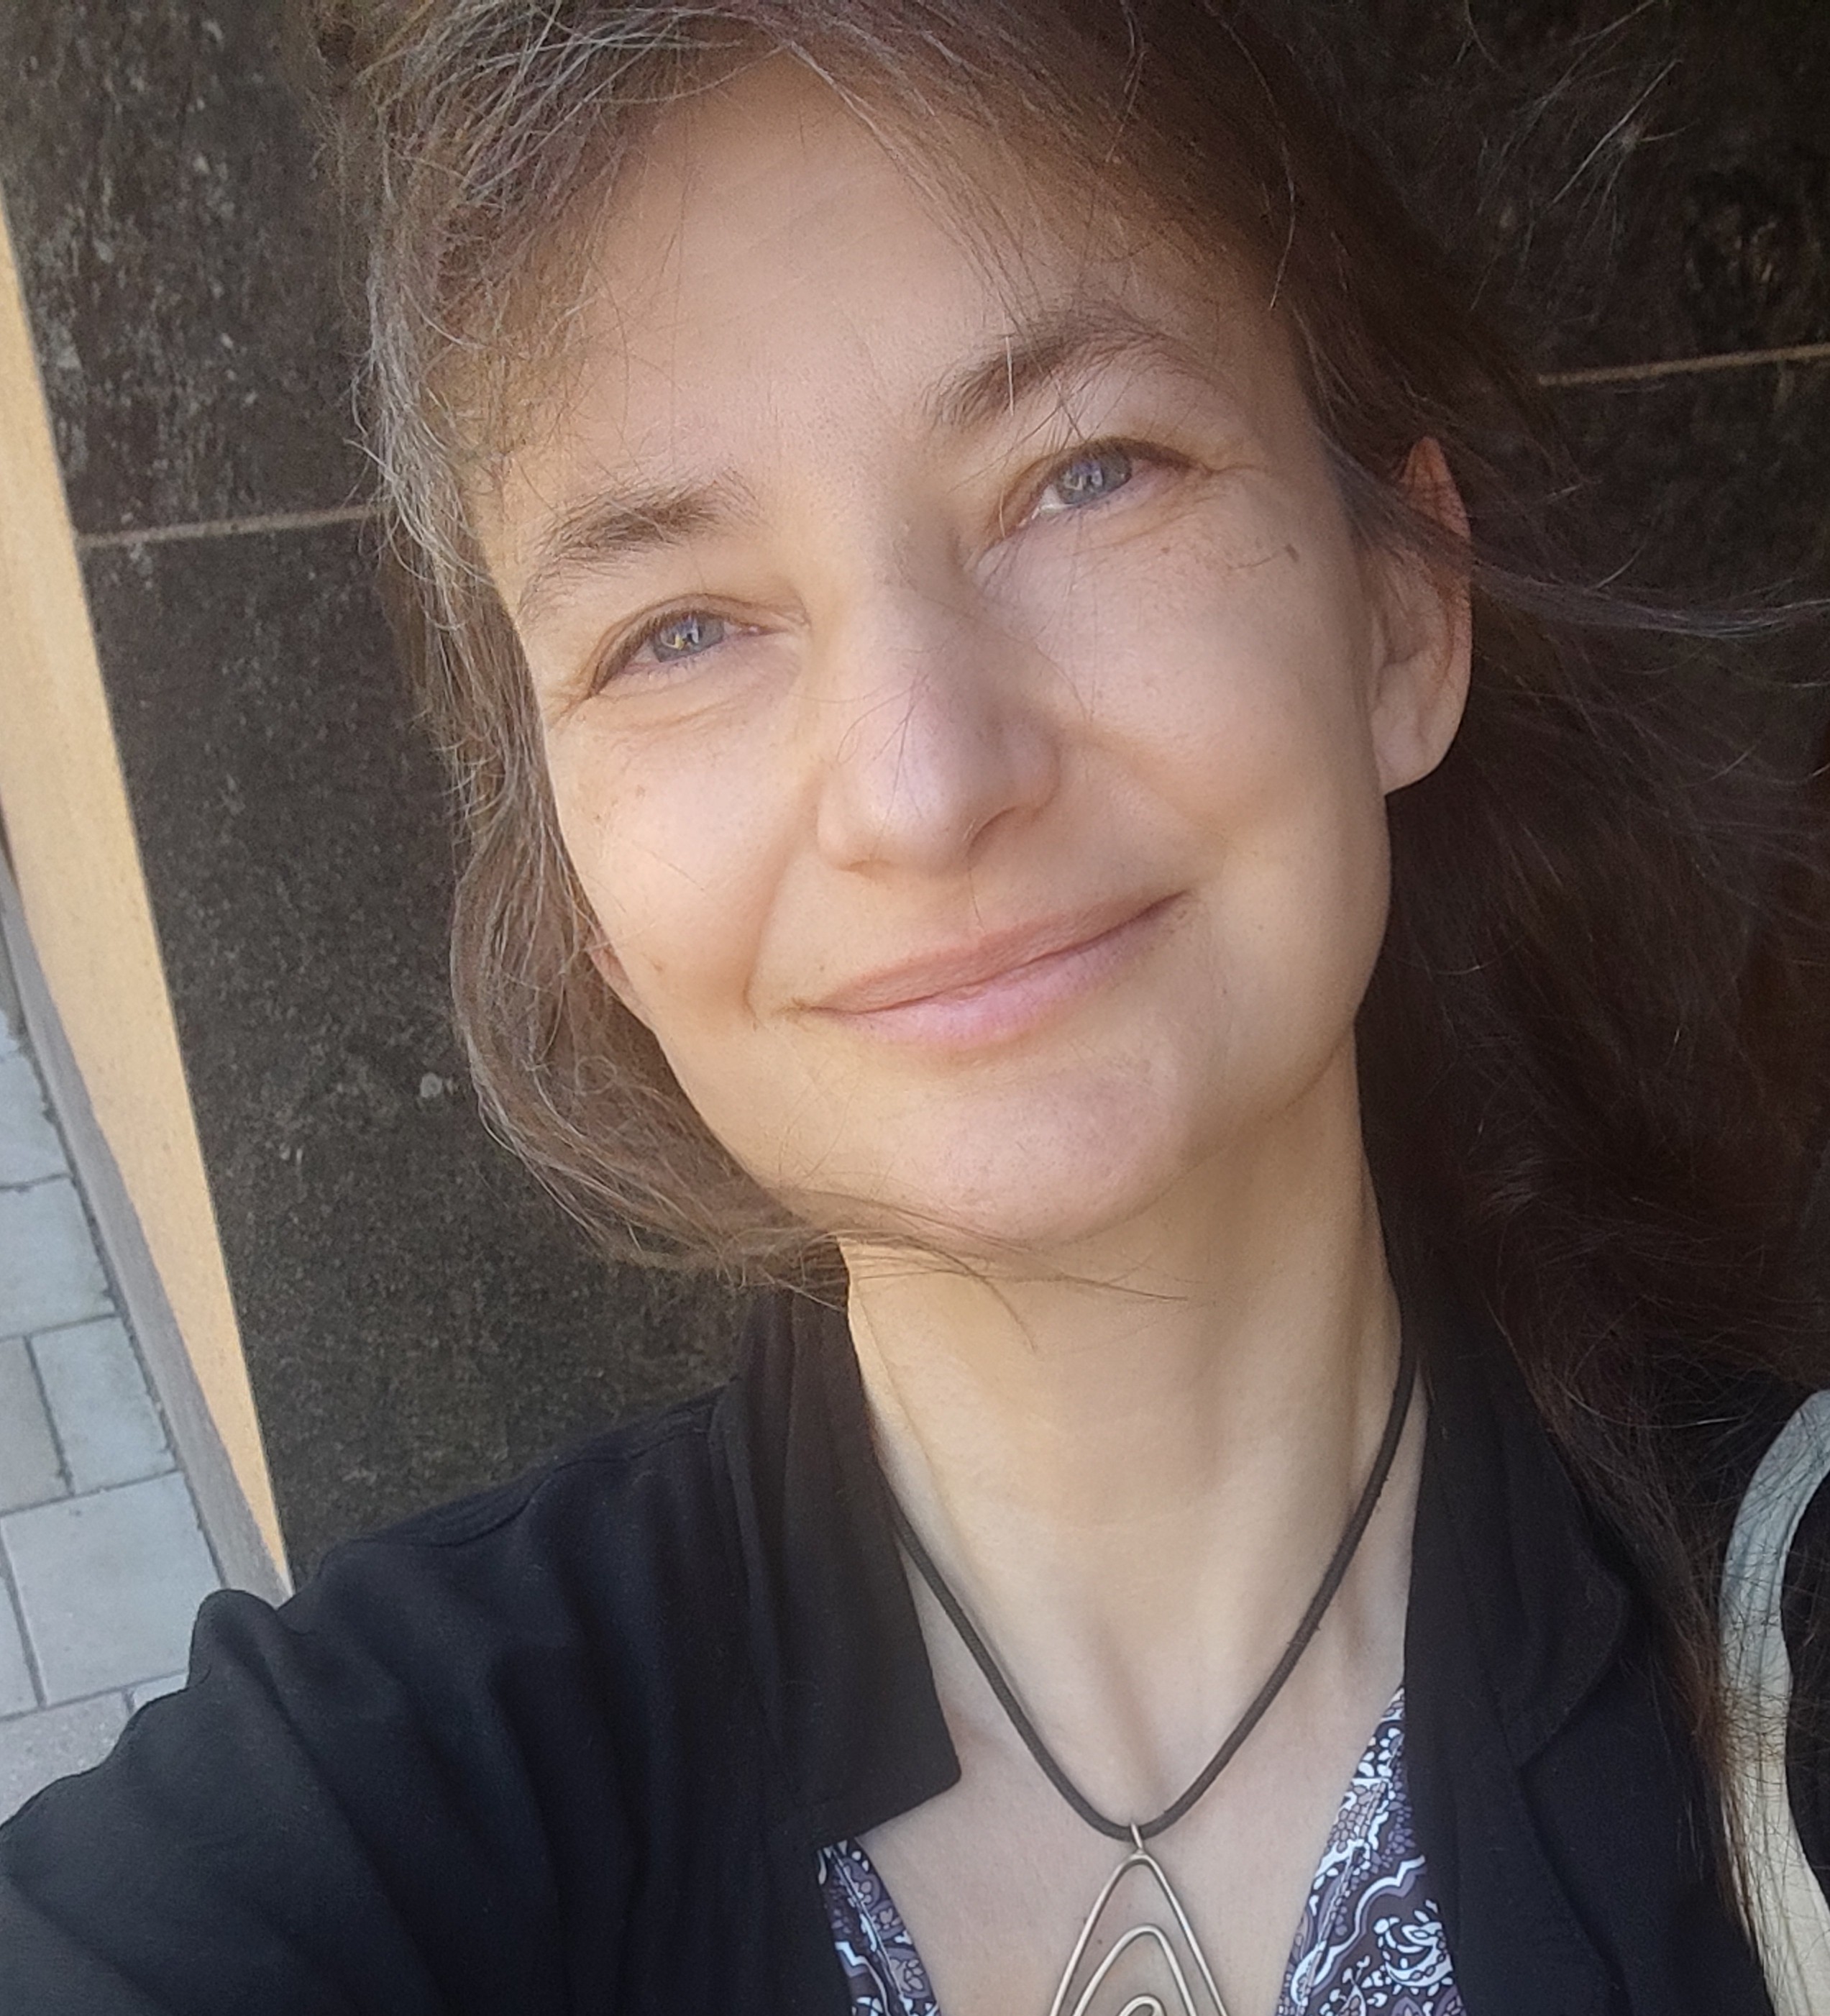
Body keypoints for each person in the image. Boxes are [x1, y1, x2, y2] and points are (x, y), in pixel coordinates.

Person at [4, 4, 1829, 2012]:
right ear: (583, 889)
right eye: (677, 630)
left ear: (1399, 614)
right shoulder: (387, 1786)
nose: (921, 782)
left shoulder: (1780, 1637)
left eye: (1086, 473)